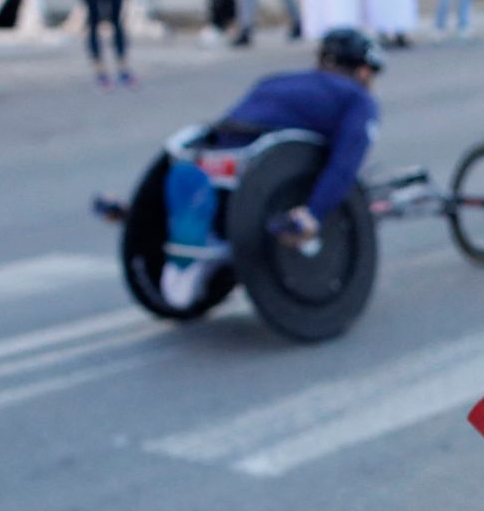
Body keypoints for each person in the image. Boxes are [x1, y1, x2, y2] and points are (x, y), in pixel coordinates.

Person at [155, 27, 382, 309]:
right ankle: (209, 251)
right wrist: (314, 212)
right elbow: (345, 164)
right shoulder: (358, 99)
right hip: (267, 168)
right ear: (363, 71)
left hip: (220, 151)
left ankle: (196, 247)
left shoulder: (275, 81)